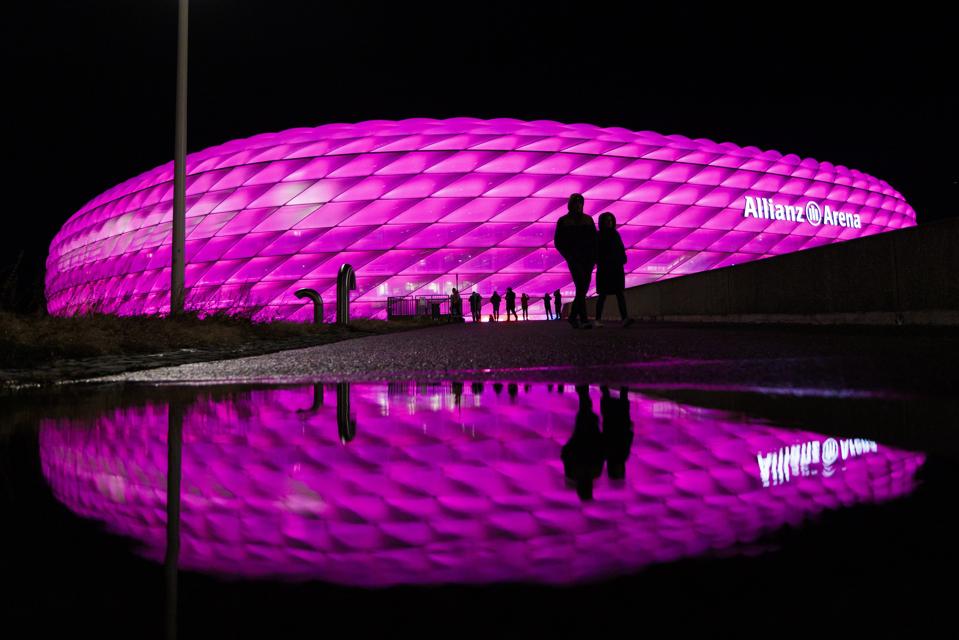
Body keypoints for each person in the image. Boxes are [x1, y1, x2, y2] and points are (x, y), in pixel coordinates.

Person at [554, 193, 597, 328]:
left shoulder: (588, 220)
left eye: (580, 203)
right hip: (574, 259)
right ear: (570, 204)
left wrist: (594, 255)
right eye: (575, 203)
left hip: (588, 258)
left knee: (582, 288)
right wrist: (568, 256)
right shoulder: (563, 221)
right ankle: (583, 320)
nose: (578, 205)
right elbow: (558, 241)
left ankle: (573, 317)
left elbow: (595, 239)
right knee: (581, 285)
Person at [561, 385, 604, 501]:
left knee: (586, 415)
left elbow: (601, 455)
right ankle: (583, 393)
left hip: (589, 437)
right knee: (584, 415)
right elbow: (565, 456)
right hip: (581, 438)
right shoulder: (572, 474)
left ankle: (583, 394)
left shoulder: (595, 473)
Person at [594, 212, 633, 327]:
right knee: (602, 295)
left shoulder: (615, 234)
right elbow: (596, 252)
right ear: (602, 222)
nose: (609, 222)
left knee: (619, 293)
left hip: (616, 268)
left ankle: (624, 318)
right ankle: (597, 319)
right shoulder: (599, 235)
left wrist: (622, 259)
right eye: (607, 220)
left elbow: (620, 249)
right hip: (605, 269)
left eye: (611, 220)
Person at [600, 386, 633, 481]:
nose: (619, 469)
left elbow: (628, 442)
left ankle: (622, 388)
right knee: (612, 407)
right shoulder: (609, 456)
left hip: (617, 427)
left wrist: (630, 431)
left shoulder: (620, 456)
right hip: (614, 427)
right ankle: (607, 387)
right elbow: (627, 442)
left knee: (621, 406)